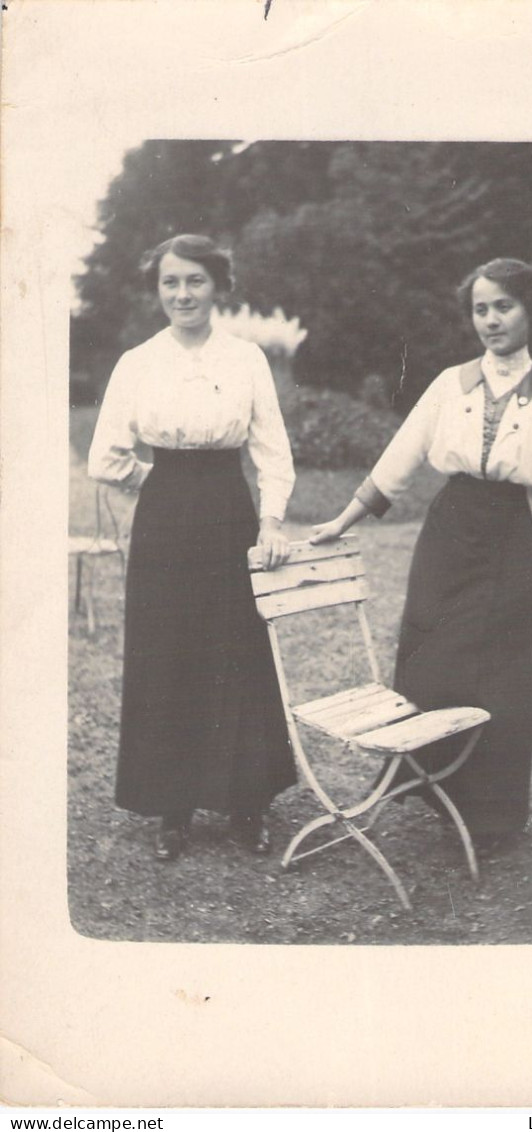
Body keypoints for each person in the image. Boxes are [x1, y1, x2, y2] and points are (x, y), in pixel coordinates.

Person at [310, 258, 532, 846]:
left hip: (510, 536)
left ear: (530, 309)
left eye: (503, 306)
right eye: (480, 309)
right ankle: (427, 790)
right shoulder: (449, 383)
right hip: (448, 533)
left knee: (499, 677)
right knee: (433, 662)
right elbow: (400, 459)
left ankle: (492, 815)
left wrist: (525, 560)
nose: (491, 320)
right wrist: (342, 519)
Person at [88, 233, 297, 861]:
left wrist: (272, 523)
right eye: (170, 283)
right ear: (158, 290)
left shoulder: (246, 359)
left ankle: (246, 806)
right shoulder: (138, 361)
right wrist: (158, 481)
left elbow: (273, 453)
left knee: (237, 651)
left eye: (195, 281)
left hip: (231, 514)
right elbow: (105, 457)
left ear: (218, 287)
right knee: (168, 653)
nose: (182, 294)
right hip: (166, 519)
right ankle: (172, 810)